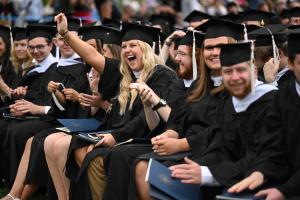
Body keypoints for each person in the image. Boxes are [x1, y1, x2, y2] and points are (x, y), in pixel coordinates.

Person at [168, 41, 287, 198]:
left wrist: (208, 173)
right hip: (236, 175)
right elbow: (220, 146)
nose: (234, 77)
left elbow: (261, 156)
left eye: (240, 70)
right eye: (228, 72)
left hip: (269, 178)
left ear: (253, 69)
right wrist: (199, 165)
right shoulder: (228, 104)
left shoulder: (272, 102)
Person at [227, 29, 300, 200]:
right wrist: (261, 172)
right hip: (285, 183)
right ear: (289, 63)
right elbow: (273, 145)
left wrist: (285, 191)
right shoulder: (283, 96)